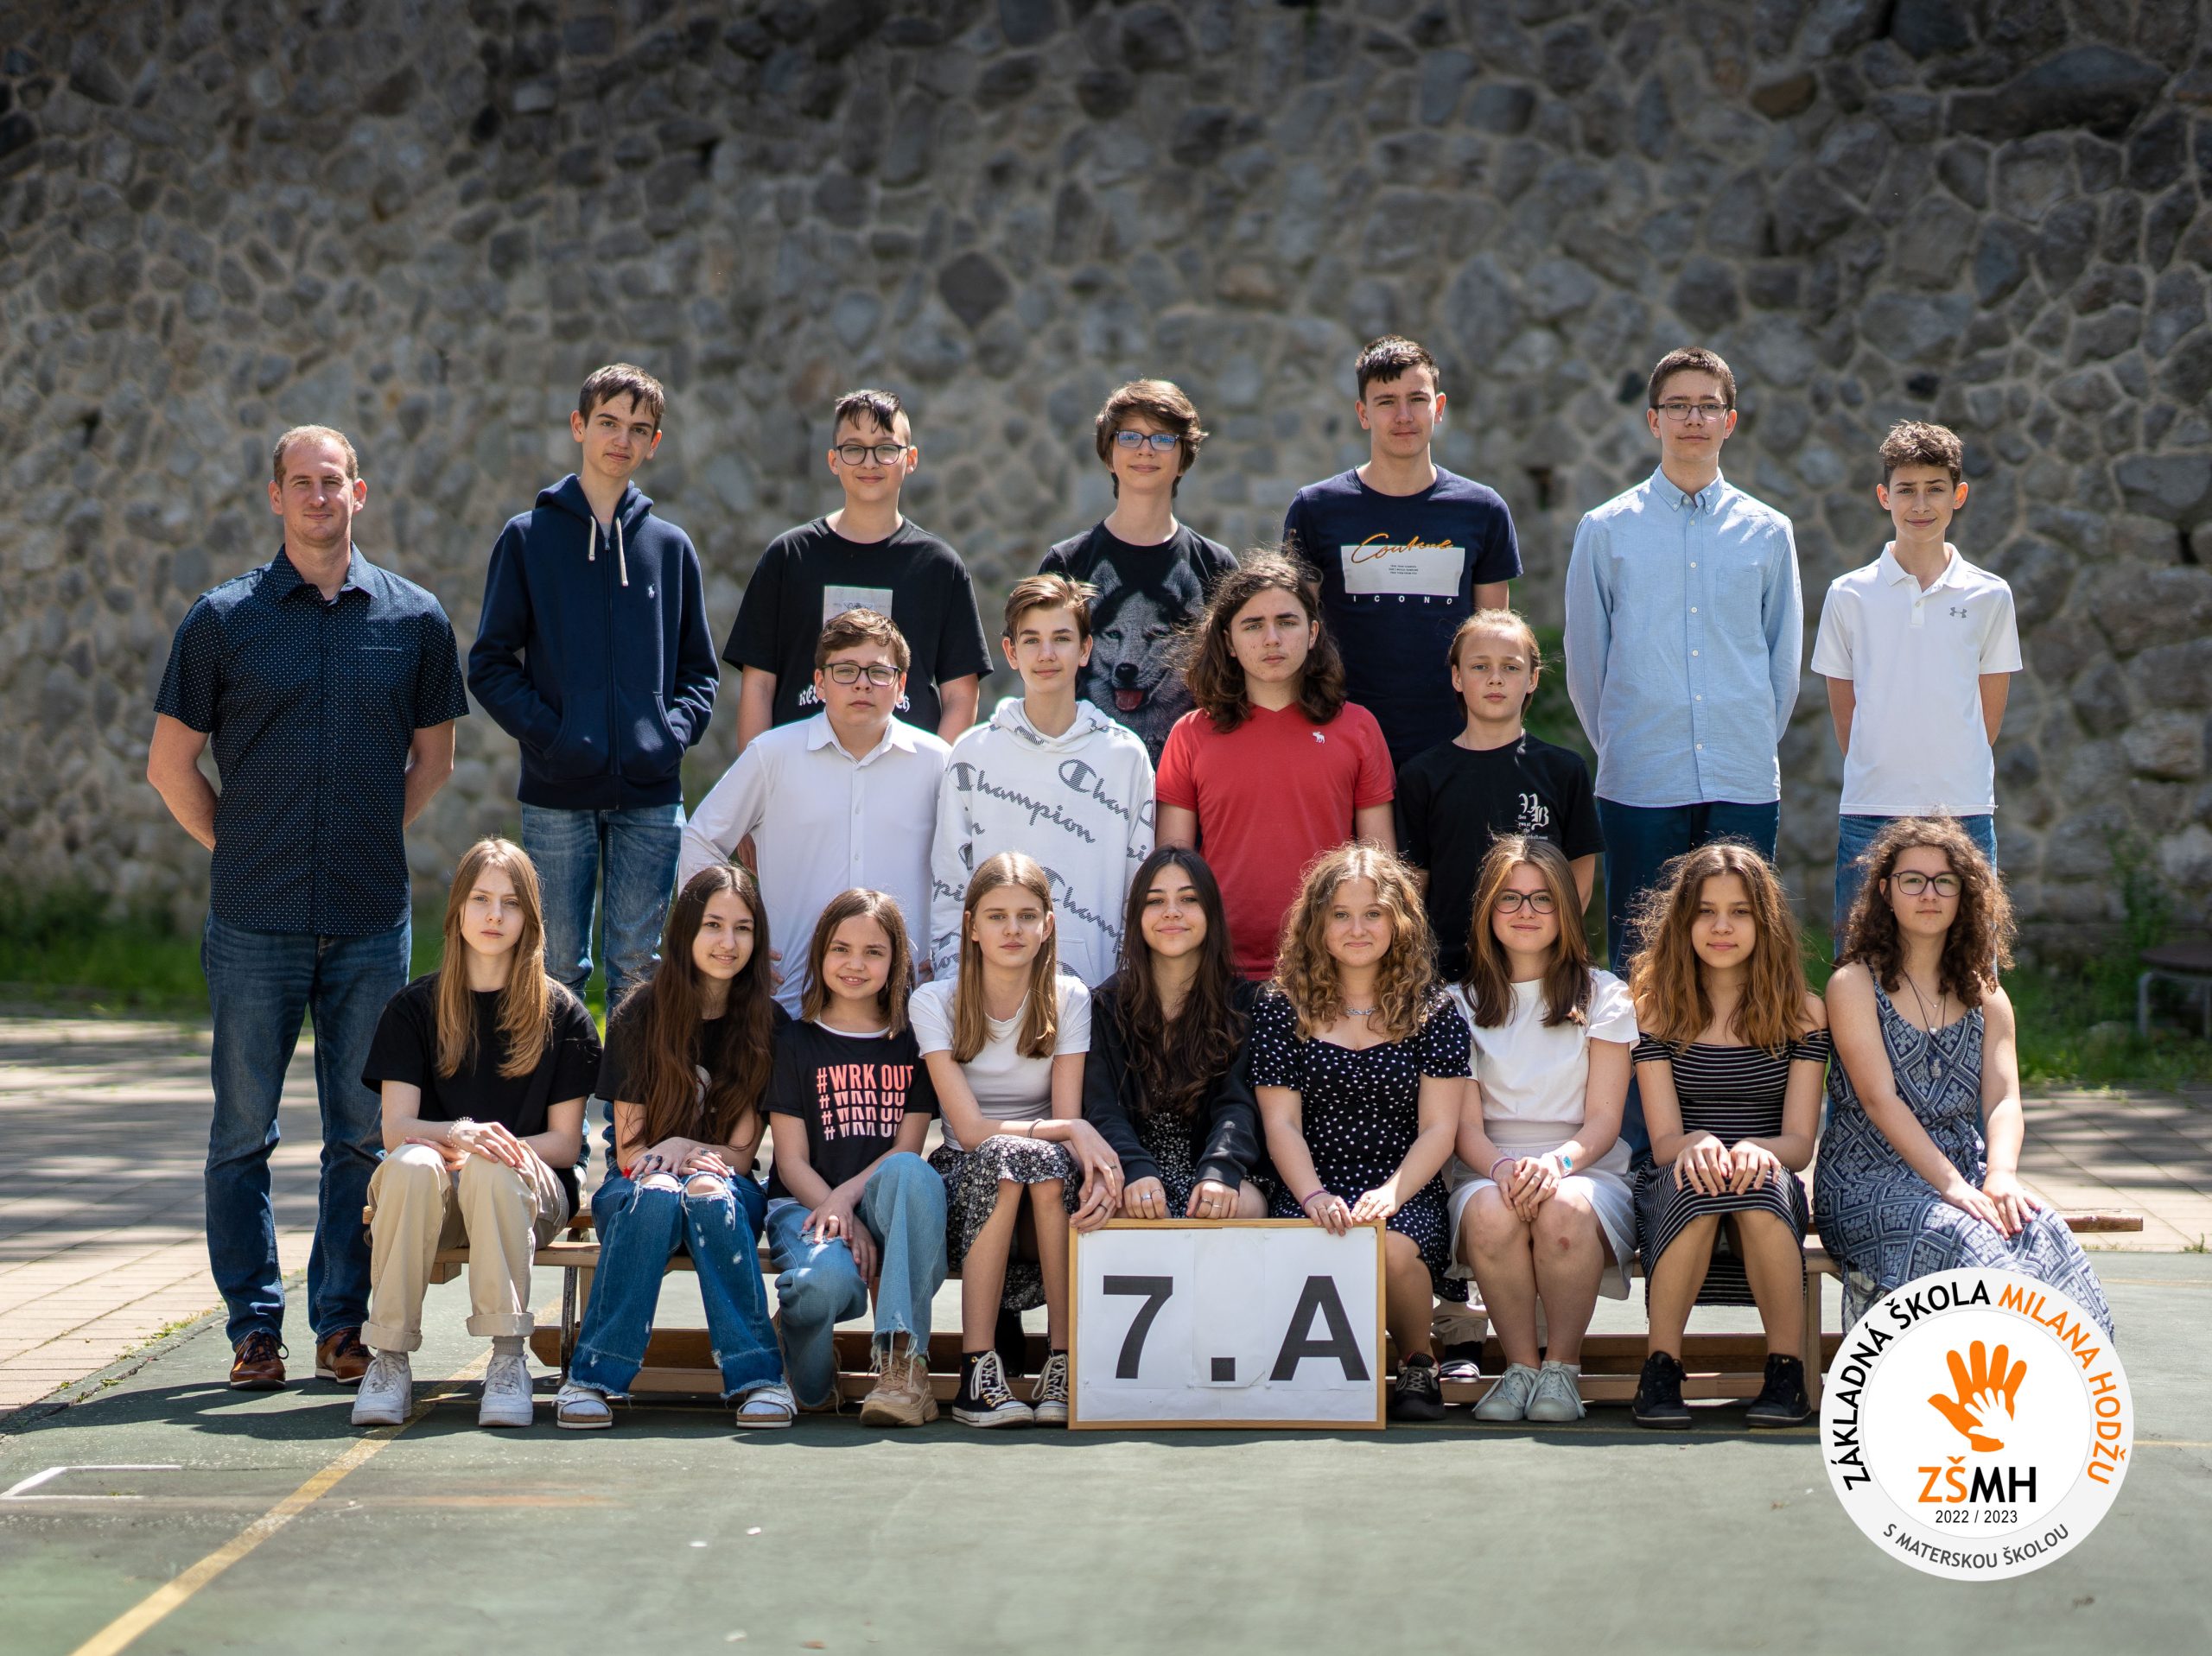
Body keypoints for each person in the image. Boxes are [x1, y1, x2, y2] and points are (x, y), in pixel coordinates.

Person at [147, 424, 467, 1391]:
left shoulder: (416, 619)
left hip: (370, 916)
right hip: (254, 916)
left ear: (359, 492)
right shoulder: (222, 619)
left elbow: (434, 761)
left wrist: (363, 831)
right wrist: (241, 845)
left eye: (334, 480)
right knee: (243, 1133)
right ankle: (254, 1329)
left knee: (363, 1135)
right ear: (276, 496)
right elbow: (170, 764)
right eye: (302, 482)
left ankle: (341, 1324)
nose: (319, 496)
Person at [467, 363, 719, 1011]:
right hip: (557, 790)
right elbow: (490, 662)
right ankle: (562, 1086)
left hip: (650, 794)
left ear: (653, 443)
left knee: (641, 966)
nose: (621, 439)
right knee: (554, 964)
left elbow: (700, 673)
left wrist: (666, 737)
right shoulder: (529, 538)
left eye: (639, 428)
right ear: (579, 426)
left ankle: (631, 1086)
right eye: (608, 422)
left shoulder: (670, 547)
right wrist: (554, 738)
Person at [1815, 817, 2113, 1336]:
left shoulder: (1987, 995)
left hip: (1965, 1171)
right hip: (1867, 1181)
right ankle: (1986, 1373)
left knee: (2041, 1232)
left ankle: (2062, 1381)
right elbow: (1880, 1099)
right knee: (1967, 1237)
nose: (1929, 894)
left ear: (1964, 894)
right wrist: (1952, 1187)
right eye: (1913, 880)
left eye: (1945, 881)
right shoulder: (1853, 984)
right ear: (1885, 891)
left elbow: (2003, 1100)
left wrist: (2000, 1176)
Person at [1563, 346, 1803, 979]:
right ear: (1653, 420)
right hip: (1641, 776)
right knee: (1642, 958)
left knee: (1741, 957)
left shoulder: (1769, 532)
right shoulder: (1605, 530)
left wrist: (1746, 737)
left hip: (1742, 777)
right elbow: (1586, 665)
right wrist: (1625, 742)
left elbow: (1782, 663)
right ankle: (1643, 1055)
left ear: (1730, 421)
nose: (1693, 418)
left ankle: (1733, 1053)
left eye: (1707, 406)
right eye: (1678, 406)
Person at [353, 840, 599, 1430]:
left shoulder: (563, 1014)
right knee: (411, 1164)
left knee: (493, 1167)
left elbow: (565, 1144)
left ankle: (508, 1358)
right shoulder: (413, 1009)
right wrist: (461, 1136)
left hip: (528, 1195)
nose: (494, 915)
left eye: (511, 903)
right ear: (458, 908)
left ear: (529, 917)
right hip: (436, 1193)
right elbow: (397, 1130)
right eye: (481, 899)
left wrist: (493, 1149)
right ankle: (388, 1359)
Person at [555, 866, 798, 1430]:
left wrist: (688, 1146)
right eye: (713, 924)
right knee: (659, 1192)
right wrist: (678, 1155)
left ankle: (759, 1377)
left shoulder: (768, 1023)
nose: (727, 941)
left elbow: (740, 1156)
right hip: (637, 1186)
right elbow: (631, 1153)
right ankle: (593, 1377)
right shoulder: (640, 1015)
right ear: (686, 929)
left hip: (726, 1185)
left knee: (710, 1194)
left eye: (742, 928)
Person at [1252, 845, 1469, 1423]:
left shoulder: (1433, 1010)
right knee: (1309, 1243)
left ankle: (1418, 1361)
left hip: (1402, 1184)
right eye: (1341, 915)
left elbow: (1440, 1128)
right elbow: (1281, 1123)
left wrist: (1392, 1193)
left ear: (1399, 922)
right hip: (1309, 1182)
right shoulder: (1281, 1008)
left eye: (1373, 913)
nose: (1357, 928)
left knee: (1391, 1246)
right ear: (1316, 924)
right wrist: (1313, 1195)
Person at [1624, 843, 1828, 1431]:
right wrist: (1698, 1144)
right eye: (1706, 911)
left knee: (1762, 1188)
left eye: (1739, 912)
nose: (1721, 927)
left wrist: (1752, 1150)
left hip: (1768, 1175)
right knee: (1696, 1183)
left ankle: (1786, 1371)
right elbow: (1664, 1139)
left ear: (1765, 923)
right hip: (1678, 1173)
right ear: (1683, 922)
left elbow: (1799, 1144)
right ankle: (1661, 1369)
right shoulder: (1655, 1011)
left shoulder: (1803, 1015)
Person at [912, 853, 1121, 1429]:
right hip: (964, 1178)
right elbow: (972, 1131)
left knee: (1046, 1164)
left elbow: (1065, 1119)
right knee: (1010, 1154)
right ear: (972, 927)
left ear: (1048, 925)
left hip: (1045, 1183)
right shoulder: (934, 1002)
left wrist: (1078, 1141)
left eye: (1027, 916)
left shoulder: (1070, 997)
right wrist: (1071, 1129)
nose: (1013, 929)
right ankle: (976, 1373)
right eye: (997, 916)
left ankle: (1063, 1363)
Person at [1446, 839, 1637, 1425]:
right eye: (1509, 898)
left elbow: (1604, 1120)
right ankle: (1520, 1368)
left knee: (1564, 1211)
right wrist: (1503, 1168)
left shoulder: (1605, 994)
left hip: (1585, 1168)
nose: (1525, 911)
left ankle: (1561, 1368)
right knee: (1490, 1214)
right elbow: (1464, 1126)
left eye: (1542, 898)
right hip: (1487, 1167)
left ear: (1566, 909)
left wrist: (1556, 1165)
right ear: (1487, 909)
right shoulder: (1456, 1003)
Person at [681, 609, 950, 1014]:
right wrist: (733, 942)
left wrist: (951, 954)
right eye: (845, 670)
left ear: (901, 686)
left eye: (879, 672)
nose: (862, 683)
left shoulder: (938, 762)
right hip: (791, 998)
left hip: (904, 1002)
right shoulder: (772, 754)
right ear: (820, 682)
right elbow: (701, 840)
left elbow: (970, 864)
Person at [1812, 422, 2020, 936]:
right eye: (1906, 489)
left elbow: (1988, 719)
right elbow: (1846, 717)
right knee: (1860, 962)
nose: (1920, 504)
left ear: (1958, 496)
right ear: (1884, 496)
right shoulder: (1847, 595)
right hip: (1870, 809)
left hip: (1964, 809)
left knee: (1971, 963)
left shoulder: (1991, 595)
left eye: (1935, 489)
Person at [1281, 334, 1521, 771]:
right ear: (1363, 413)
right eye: (1387, 402)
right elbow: (1297, 634)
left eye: (1417, 399)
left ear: (1439, 407)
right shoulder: (1315, 509)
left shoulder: (1483, 510)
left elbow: (1494, 644)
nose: (1404, 416)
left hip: (1454, 747)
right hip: (1340, 740)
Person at [1155, 555, 1396, 980]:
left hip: (1330, 970)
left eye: (1287, 622)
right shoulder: (1190, 734)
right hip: (1219, 972)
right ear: (1229, 641)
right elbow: (1173, 871)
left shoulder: (1358, 728)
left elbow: (1381, 868)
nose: (1272, 639)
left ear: (1313, 633)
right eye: (1253, 625)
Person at [763, 890, 948, 1427]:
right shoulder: (794, 1042)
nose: (855, 964)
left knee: (912, 1172)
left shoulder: (913, 1043)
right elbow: (791, 1162)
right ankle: (804, 1358)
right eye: (841, 949)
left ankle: (902, 1364)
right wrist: (842, 1215)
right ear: (820, 953)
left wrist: (850, 1204)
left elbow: (905, 1149)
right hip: (804, 1205)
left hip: (882, 1206)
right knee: (824, 1284)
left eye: (873, 952)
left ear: (896, 963)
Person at [723, 387, 991, 747]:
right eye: (854, 449)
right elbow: (758, 684)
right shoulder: (788, 556)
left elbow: (961, 695)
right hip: (800, 770)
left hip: (905, 773)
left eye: (886, 448)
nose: (869, 462)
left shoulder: (940, 567)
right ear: (833, 460)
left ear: (910, 458)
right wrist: (759, 773)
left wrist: (938, 776)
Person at [931, 574, 1154, 988]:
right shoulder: (973, 754)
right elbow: (950, 884)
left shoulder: (1125, 757)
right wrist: (957, 989)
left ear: (1085, 649)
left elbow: (1138, 890)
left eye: (1062, 638)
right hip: (991, 998)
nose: (1047, 654)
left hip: (1099, 997)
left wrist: (1125, 996)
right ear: (1011, 652)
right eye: (1031, 640)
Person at [1396, 610, 1604, 980]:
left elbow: (1579, 881)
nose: (1495, 678)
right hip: (1450, 973)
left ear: (1532, 679)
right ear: (1457, 677)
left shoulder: (1564, 771)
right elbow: (1414, 883)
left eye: (1511, 667)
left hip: (1538, 972)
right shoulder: (1422, 775)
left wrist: (1542, 950)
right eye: (1480, 667)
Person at [1040, 379, 1238, 758]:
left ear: (1183, 459)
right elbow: (1043, 673)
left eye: (1163, 439)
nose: (1146, 450)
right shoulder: (1067, 563)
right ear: (1108, 453)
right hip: (1082, 773)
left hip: (1189, 776)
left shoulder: (1216, 565)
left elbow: (1232, 681)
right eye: (1130, 437)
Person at [1084, 847, 1273, 1221]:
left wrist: (1219, 1170)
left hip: (1222, 1169)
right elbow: (1102, 1108)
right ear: (1137, 916)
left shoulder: (1246, 1003)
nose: (1172, 911)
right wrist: (1135, 1169)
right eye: (1156, 901)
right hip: (1133, 1170)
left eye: (1188, 899)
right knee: (1125, 1212)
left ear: (1211, 912)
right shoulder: (1106, 1005)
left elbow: (1239, 1104)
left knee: (1232, 1209)